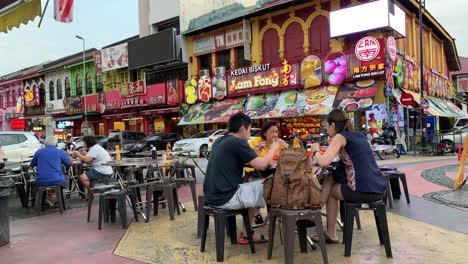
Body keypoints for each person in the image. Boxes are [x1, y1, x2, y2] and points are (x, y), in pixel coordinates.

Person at [203, 112, 286, 244]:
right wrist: (275, 148)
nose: (249, 133)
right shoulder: (238, 142)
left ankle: (250, 226)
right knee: (263, 185)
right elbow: (263, 165)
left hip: (211, 194)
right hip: (225, 196)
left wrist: (254, 150)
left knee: (252, 186)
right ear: (243, 128)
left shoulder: (221, 140)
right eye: (249, 130)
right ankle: (248, 233)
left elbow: (240, 161)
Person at [310, 109, 387, 243]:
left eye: (327, 127)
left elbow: (323, 162)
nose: (327, 130)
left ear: (333, 125)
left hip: (362, 190)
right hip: (379, 187)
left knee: (331, 190)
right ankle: (316, 215)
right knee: (330, 178)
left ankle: (326, 228)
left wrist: (315, 149)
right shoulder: (359, 135)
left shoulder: (339, 137)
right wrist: (331, 144)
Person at [247, 121, 289, 224]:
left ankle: (274, 213)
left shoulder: (279, 144)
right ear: (265, 133)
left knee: (280, 183)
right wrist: (262, 156)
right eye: (272, 132)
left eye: (276, 132)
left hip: (274, 172)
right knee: (264, 184)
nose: (275, 134)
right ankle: (257, 212)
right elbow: (249, 158)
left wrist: (286, 145)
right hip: (255, 172)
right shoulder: (256, 141)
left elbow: (292, 154)